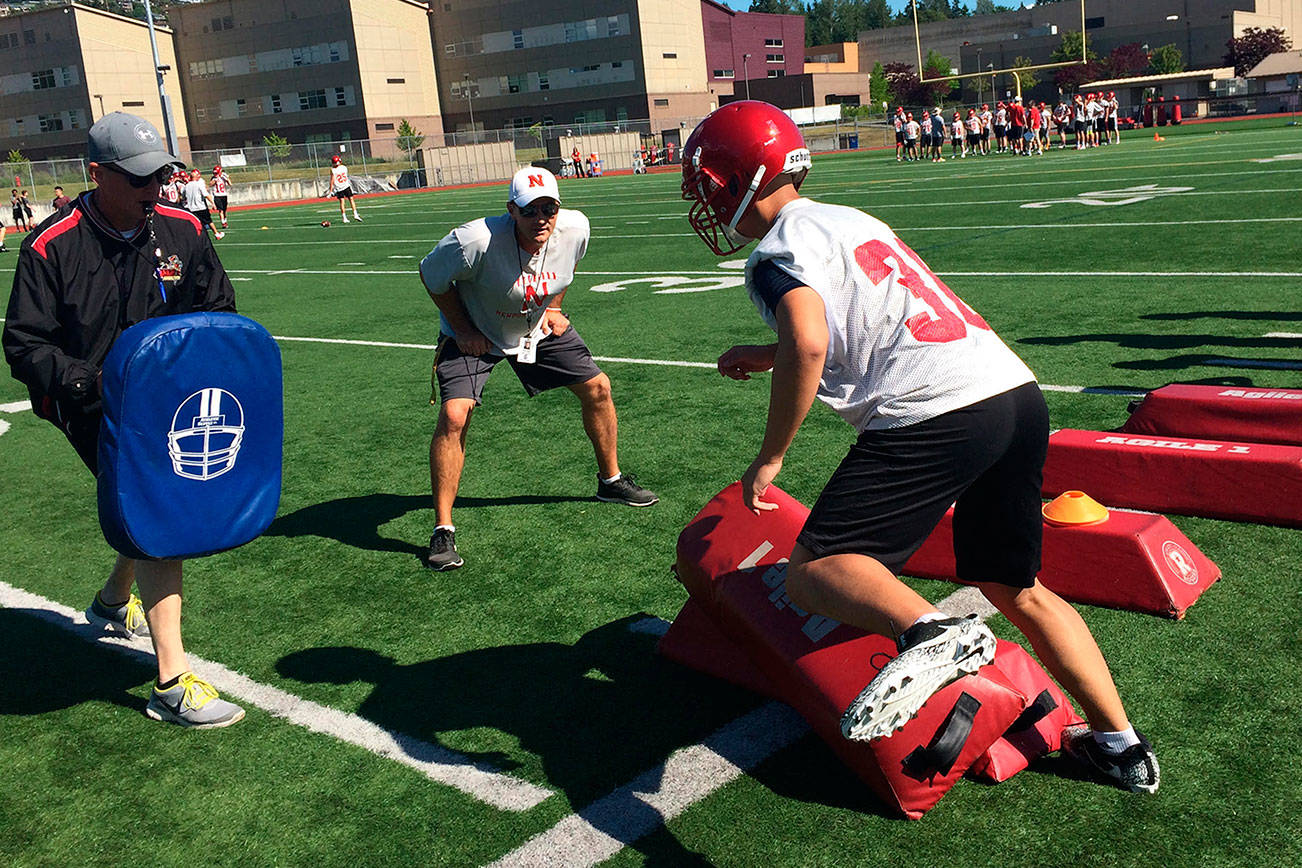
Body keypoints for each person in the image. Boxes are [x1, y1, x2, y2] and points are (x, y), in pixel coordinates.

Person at [679, 101, 1160, 794]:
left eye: (705, 184)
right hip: (1013, 394)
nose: (703, 199)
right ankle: (1121, 746)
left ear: (731, 179)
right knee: (1015, 587)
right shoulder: (847, 219)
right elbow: (856, 323)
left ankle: (933, 634)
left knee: (813, 573)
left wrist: (770, 455)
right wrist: (766, 353)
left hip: (938, 408)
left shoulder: (776, 251)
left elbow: (811, 341)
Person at [2, 111, 243, 728]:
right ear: (97, 174)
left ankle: (112, 601)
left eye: (161, 174)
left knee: (146, 506)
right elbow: (26, 346)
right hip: (86, 404)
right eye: (139, 179)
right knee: (160, 507)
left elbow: (217, 306)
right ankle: (170, 681)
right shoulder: (50, 246)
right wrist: (94, 381)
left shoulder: (184, 228)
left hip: (166, 400)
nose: (154, 188)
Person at [417, 166, 657, 570]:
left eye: (549, 207)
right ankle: (443, 530)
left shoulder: (575, 228)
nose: (541, 218)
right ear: (512, 210)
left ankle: (610, 481)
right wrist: (461, 328)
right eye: (530, 210)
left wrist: (557, 307)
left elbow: (566, 268)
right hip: (476, 330)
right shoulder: (474, 241)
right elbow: (430, 274)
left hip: (535, 325)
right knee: (455, 414)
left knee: (598, 387)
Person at [183, 167, 224, 240]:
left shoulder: (186, 186)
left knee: (195, 224)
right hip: (201, 207)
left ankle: (195, 237)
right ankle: (216, 234)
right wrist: (213, 203)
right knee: (209, 221)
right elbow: (206, 194)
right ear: (196, 176)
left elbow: (183, 197)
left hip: (191, 208)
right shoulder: (199, 184)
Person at [326, 154, 362, 223]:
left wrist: (330, 191)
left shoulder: (333, 170)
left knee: (342, 202)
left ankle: (344, 217)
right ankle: (355, 214)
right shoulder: (344, 167)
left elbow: (332, 181)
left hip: (339, 188)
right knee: (351, 199)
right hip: (346, 186)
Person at [210, 164, 232, 229]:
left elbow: (230, 184)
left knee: (224, 210)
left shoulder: (224, 176)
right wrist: (215, 180)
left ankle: (225, 221)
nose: (215, 174)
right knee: (221, 210)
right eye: (214, 173)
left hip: (224, 195)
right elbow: (210, 184)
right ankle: (223, 223)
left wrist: (226, 179)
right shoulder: (214, 178)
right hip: (217, 195)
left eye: (216, 173)